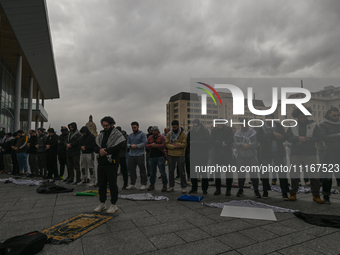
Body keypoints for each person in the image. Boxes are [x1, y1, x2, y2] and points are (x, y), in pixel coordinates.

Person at [286, 107, 323, 204]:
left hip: (310, 153)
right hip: (296, 153)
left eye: (304, 116)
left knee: (313, 175)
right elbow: (288, 137)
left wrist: (308, 139)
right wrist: (298, 138)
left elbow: (319, 137)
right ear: (297, 116)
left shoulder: (314, 125)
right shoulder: (292, 125)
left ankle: (316, 195)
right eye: (300, 116)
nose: (302, 118)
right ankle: (293, 193)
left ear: (307, 115)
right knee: (294, 174)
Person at [93, 116, 125, 214]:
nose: (105, 127)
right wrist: (99, 150)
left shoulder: (118, 135)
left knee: (112, 184)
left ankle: (113, 204)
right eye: (103, 125)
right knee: (101, 183)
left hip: (112, 163)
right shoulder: (101, 135)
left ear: (112, 124)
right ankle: (102, 203)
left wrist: (105, 151)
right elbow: (94, 146)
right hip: (102, 162)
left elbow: (120, 146)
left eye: (106, 125)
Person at [257, 114, 290, 200]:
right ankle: (265, 191)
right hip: (265, 153)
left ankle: (285, 192)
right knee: (264, 173)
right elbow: (259, 137)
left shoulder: (279, 126)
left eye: (271, 120)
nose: (270, 121)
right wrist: (273, 134)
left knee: (282, 173)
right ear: (266, 119)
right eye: (268, 120)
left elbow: (284, 137)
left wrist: (269, 136)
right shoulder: (261, 127)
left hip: (278, 152)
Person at [234, 119, 261, 198]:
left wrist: (248, 145)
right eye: (242, 124)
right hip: (240, 156)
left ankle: (256, 190)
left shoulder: (253, 133)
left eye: (245, 123)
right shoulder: (237, 133)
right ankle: (241, 189)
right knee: (241, 174)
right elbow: (235, 142)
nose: (244, 125)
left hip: (251, 156)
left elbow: (256, 143)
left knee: (254, 174)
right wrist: (242, 144)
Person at [319, 107, 340, 204]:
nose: (336, 117)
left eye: (337, 115)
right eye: (334, 115)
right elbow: (323, 137)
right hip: (330, 152)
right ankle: (326, 196)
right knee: (327, 175)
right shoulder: (323, 124)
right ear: (328, 114)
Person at [211, 121, 234, 196]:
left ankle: (228, 189)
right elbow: (212, 140)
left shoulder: (228, 130)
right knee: (217, 172)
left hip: (227, 154)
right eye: (218, 124)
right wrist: (221, 143)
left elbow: (231, 139)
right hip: (217, 154)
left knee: (229, 172)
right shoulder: (214, 130)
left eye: (221, 124)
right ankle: (218, 189)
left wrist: (223, 142)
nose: (219, 125)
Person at [188, 119, 210, 195]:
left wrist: (195, 143)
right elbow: (188, 142)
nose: (195, 127)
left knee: (203, 173)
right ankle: (194, 188)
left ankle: (204, 189)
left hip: (203, 156)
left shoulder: (205, 131)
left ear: (199, 125)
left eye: (196, 125)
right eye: (194, 126)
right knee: (193, 173)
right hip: (194, 155)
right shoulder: (191, 132)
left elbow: (208, 142)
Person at [165, 120, 187, 193]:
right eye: (173, 127)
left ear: (178, 126)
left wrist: (178, 145)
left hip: (180, 154)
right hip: (171, 154)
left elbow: (185, 144)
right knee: (171, 171)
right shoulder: (169, 134)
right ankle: (171, 186)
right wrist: (173, 147)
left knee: (182, 171)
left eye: (175, 127)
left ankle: (183, 187)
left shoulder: (183, 134)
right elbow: (166, 143)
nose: (174, 128)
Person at [126, 121, 148, 190]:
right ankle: (132, 183)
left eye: (135, 127)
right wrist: (130, 146)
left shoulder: (142, 134)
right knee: (132, 170)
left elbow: (144, 143)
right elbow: (127, 143)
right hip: (131, 154)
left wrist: (136, 146)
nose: (134, 129)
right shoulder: (130, 135)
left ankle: (143, 184)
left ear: (138, 127)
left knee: (142, 169)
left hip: (140, 154)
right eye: (132, 128)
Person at [145, 126, 168, 192]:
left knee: (162, 172)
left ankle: (165, 185)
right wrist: (151, 145)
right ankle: (152, 184)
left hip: (160, 156)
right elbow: (146, 145)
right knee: (152, 172)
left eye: (155, 131)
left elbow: (164, 145)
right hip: (151, 157)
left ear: (158, 131)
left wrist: (156, 145)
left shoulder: (162, 137)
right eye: (153, 131)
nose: (154, 132)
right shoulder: (150, 138)